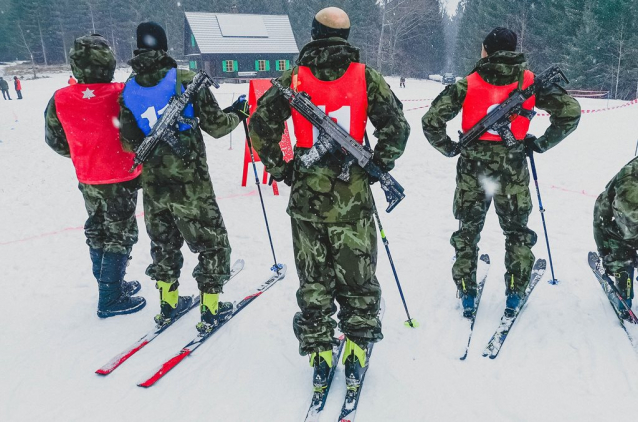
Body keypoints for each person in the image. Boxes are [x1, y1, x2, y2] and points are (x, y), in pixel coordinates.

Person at [249, 7, 409, 392]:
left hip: (307, 202)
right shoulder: (365, 76)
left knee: (314, 281)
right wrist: (375, 165)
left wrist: (284, 168)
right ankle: (355, 349)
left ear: (313, 33)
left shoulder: (295, 77)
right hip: (352, 202)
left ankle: (320, 353)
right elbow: (397, 128)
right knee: (357, 279)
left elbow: (259, 125)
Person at [422, 27, 581, 318]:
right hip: (513, 172)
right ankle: (515, 290)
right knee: (517, 233)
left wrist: (449, 148)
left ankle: (467, 291)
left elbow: (431, 120)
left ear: (485, 50)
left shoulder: (467, 83)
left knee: (467, 233)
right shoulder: (529, 80)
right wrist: (541, 144)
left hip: (472, 171)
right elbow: (570, 111)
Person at [119, 22, 248, 331]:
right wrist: (238, 112)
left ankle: (168, 305)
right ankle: (211, 310)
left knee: (163, 246)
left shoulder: (129, 89)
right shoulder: (185, 80)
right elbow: (217, 127)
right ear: (163, 47)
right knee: (212, 245)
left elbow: (128, 141)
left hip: (153, 187)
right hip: (192, 187)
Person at [44, 34, 146, 318]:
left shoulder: (61, 97)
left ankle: (110, 286)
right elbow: (136, 130)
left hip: (88, 177)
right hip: (121, 175)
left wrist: (82, 152)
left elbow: (55, 141)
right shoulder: (121, 92)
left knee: (98, 229)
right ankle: (110, 297)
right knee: (120, 234)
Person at [594, 158, 638, 318]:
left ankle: (624, 298)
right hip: (626, 232)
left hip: (624, 234)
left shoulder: (627, 173)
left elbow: (601, 210)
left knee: (620, 248)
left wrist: (603, 250)